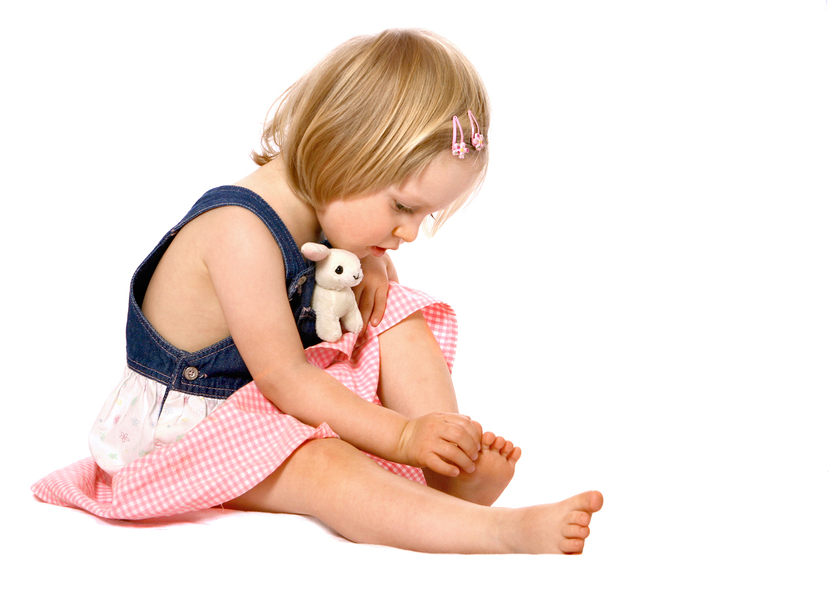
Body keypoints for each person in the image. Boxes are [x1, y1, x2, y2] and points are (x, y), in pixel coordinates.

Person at [32, 28, 602, 554]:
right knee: (322, 466)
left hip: (271, 402)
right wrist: (401, 436)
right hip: (194, 430)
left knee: (399, 315)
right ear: (339, 152)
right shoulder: (239, 231)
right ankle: (498, 534)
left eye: (423, 217)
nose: (408, 233)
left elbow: (340, 317)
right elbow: (285, 379)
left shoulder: (329, 207)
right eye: (402, 209)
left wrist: (372, 266)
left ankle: (448, 469)